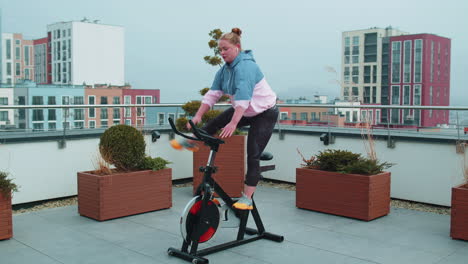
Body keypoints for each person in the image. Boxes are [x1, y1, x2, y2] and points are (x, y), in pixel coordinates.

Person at [173, 28, 278, 210]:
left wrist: (234, 123)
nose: (221, 53)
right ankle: (191, 142)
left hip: (265, 113)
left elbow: (244, 98)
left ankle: (247, 198)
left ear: (237, 47)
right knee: (214, 123)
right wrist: (197, 116)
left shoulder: (246, 67)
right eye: (219, 50)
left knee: (253, 153)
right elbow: (212, 94)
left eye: (225, 49)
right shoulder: (225, 71)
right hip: (244, 110)